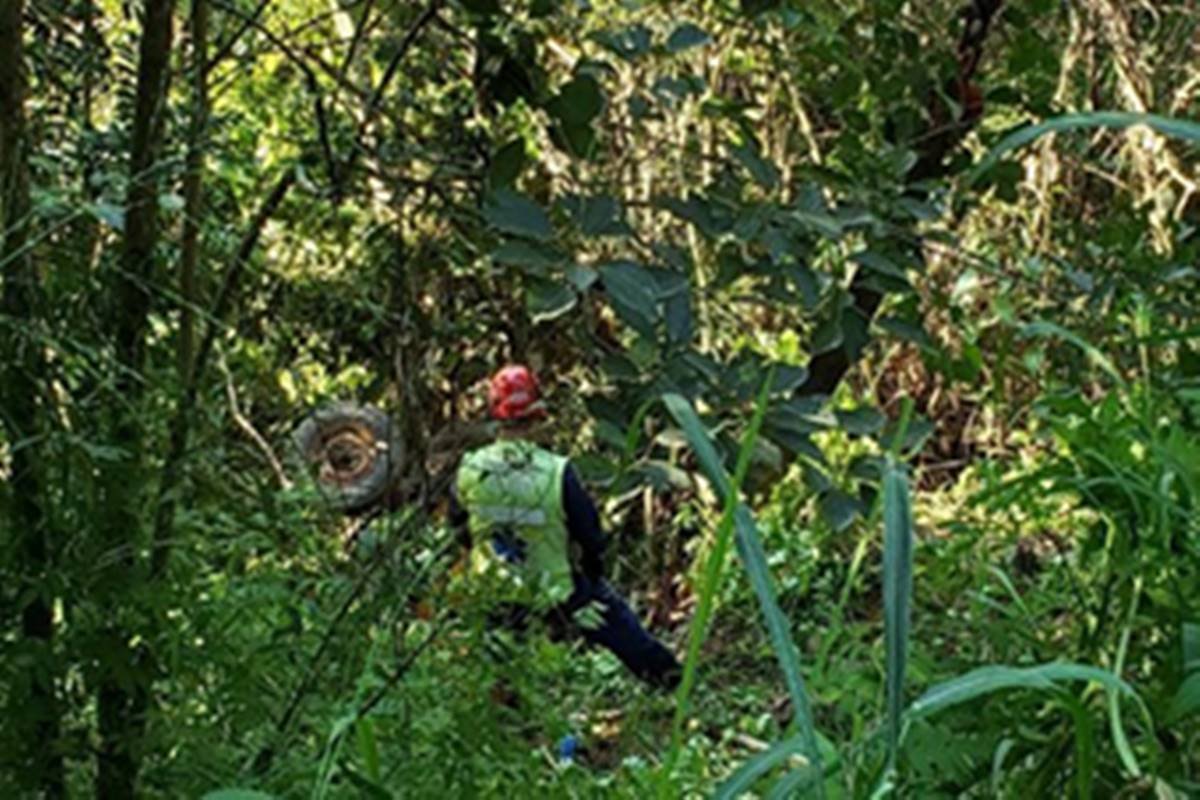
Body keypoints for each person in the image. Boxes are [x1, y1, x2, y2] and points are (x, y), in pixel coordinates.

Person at [449, 364, 682, 691]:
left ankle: (505, 711)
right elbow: (591, 537)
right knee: (616, 622)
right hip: (557, 592)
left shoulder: (470, 467)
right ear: (537, 414)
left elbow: (459, 529)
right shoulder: (556, 471)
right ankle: (671, 682)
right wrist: (591, 572)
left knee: (494, 666)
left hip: (495, 593)